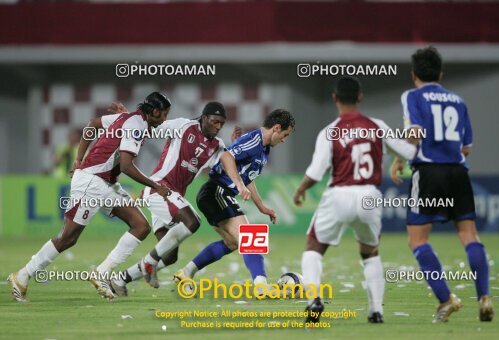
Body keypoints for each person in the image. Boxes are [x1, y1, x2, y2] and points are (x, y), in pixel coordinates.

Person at [8, 92, 172, 302]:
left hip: (106, 184)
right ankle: (22, 276)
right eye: (164, 114)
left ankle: (101, 273)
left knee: (140, 225)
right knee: (68, 237)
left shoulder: (130, 119)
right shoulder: (135, 124)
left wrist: (79, 159)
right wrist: (155, 186)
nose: (165, 119)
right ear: (155, 111)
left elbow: (93, 123)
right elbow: (127, 166)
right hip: (91, 182)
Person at [293, 76, 417, 324]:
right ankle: (376, 310)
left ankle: (313, 300)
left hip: (340, 194)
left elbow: (316, 172)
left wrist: (300, 190)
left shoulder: (330, 131)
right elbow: (409, 152)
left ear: (334, 98)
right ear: (360, 97)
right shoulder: (377, 125)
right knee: (370, 253)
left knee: (314, 246)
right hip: (370, 196)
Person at [391, 46, 493, 323]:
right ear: (441, 73)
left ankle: (446, 300)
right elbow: (467, 148)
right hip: (458, 172)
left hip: (429, 172)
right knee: (470, 236)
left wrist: (398, 157)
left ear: (414, 75)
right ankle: (484, 296)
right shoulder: (458, 101)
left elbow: (413, 134)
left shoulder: (412, 95)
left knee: (417, 240)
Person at [108, 102, 239, 296]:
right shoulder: (182, 126)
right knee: (192, 221)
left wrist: (234, 147)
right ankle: (148, 263)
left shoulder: (217, 145)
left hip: (173, 198)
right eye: (214, 122)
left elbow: (219, 167)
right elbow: (151, 125)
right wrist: (129, 117)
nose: (218, 127)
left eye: (221, 123)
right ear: (204, 118)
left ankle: (120, 279)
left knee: (169, 256)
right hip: (159, 189)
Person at [173, 109, 295, 295]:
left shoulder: (263, 148)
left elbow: (248, 177)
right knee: (250, 238)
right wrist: (238, 184)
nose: (285, 139)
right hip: (216, 192)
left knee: (231, 242)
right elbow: (226, 156)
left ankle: (186, 272)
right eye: (285, 134)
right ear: (276, 128)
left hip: (216, 194)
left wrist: (262, 207)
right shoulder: (255, 140)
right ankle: (261, 287)